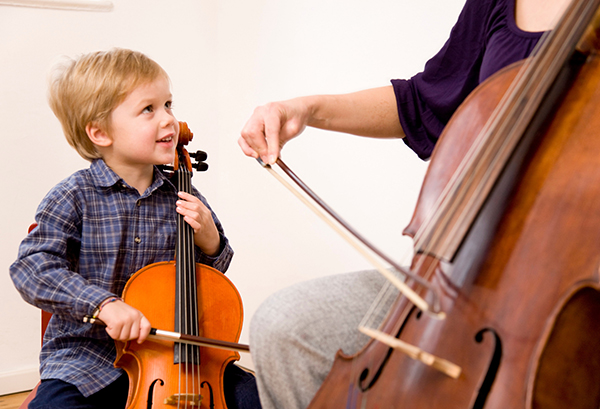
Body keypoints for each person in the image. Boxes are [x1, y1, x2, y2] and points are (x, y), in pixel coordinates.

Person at [238, 0, 572, 408]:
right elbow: (426, 100)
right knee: (286, 328)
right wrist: (303, 109)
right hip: (461, 271)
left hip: (572, 281)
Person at [10, 48, 260, 409]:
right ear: (99, 132)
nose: (169, 120)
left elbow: (209, 282)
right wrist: (104, 305)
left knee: (255, 397)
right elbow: (32, 268)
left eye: (169, 105)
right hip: (86, 358)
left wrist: (211, 240)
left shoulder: (183, 192)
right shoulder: (73, 196)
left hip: (178, 354)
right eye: (149, 109)